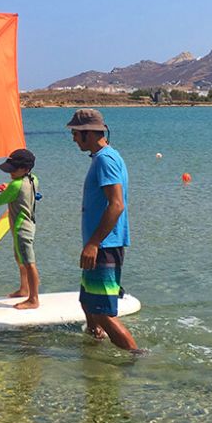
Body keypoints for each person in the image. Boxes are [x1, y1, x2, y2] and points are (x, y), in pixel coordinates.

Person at [67, 108, 137, 351]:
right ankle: (92, 348)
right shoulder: (103, 157)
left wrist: (94, 243)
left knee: (103, 313)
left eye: (75, 133)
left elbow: (117, 205)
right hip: (100, 244)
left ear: (88, 133)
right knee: (87, 302)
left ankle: (136, 357)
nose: (74, 138)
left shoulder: (105, 159)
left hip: (105, 246)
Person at [0, 147, 41, 309]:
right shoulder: (33, 178)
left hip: (21, 228)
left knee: (29, 263)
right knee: (20, 259)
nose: (10, 173)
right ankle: (24, 289)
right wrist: (9, 186)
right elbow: (17, 188)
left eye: (13, 170)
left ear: (25, 169)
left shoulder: (15, 185)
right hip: (29, 224)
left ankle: (34, 299)